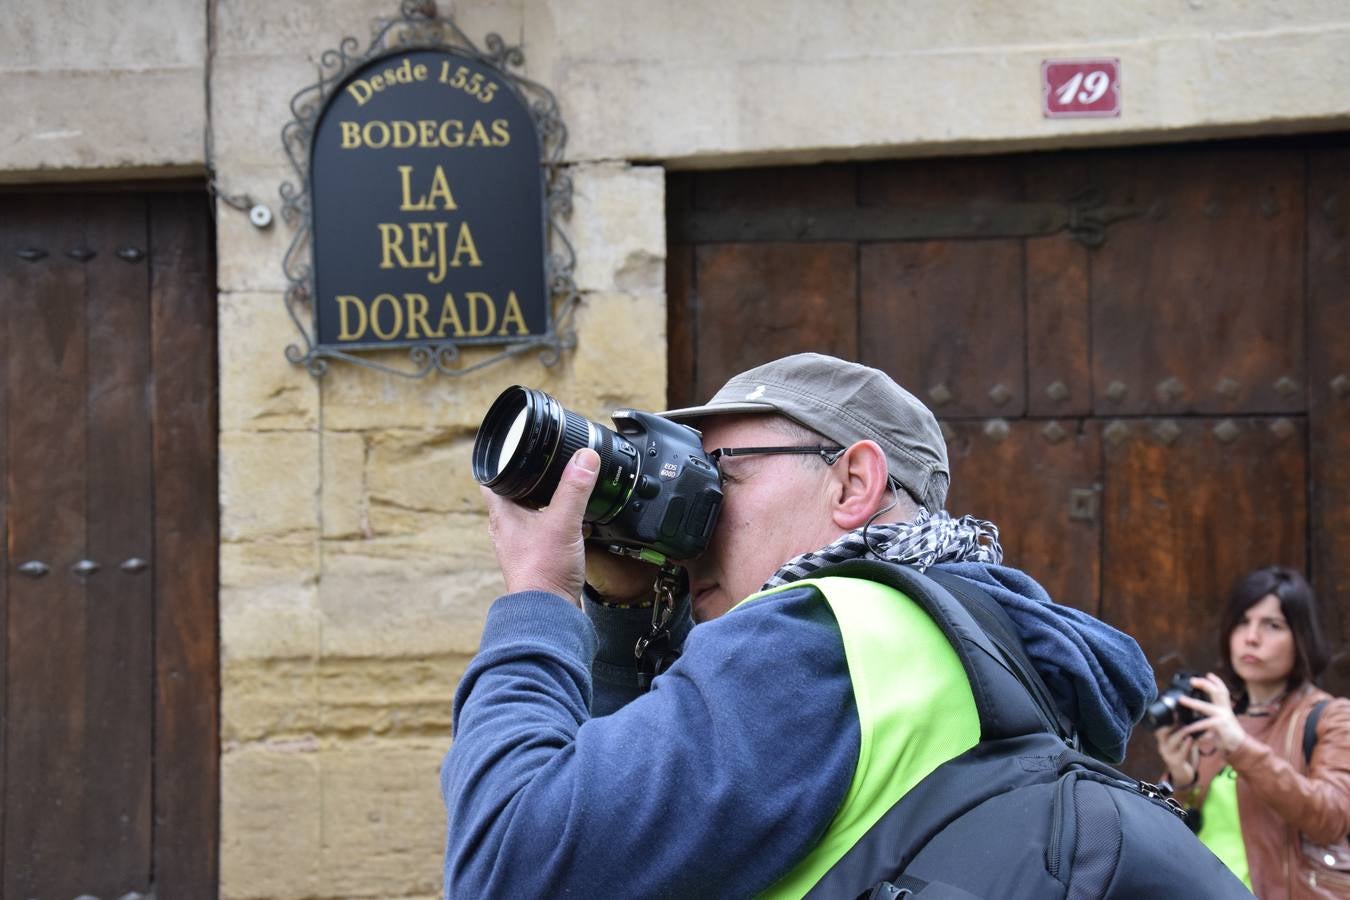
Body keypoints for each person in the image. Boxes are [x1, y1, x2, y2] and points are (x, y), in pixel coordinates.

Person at [442, 353, 1228, 897]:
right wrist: (620, 619)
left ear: (853, 481)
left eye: (721, 475)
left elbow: (509, 865)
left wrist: (538, 596)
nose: (696, 512)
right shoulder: (976, 641)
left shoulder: (829, 632)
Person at [1155, 566, 1350, 898]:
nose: (1251, 637)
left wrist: (1240, 746)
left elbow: (1330, 819)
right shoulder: (1216, 715)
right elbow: (1171, 836)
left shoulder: (1331, 716)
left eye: (1272, 625)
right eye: (1242, 622)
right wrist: (1180, 780)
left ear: (1301, 637)